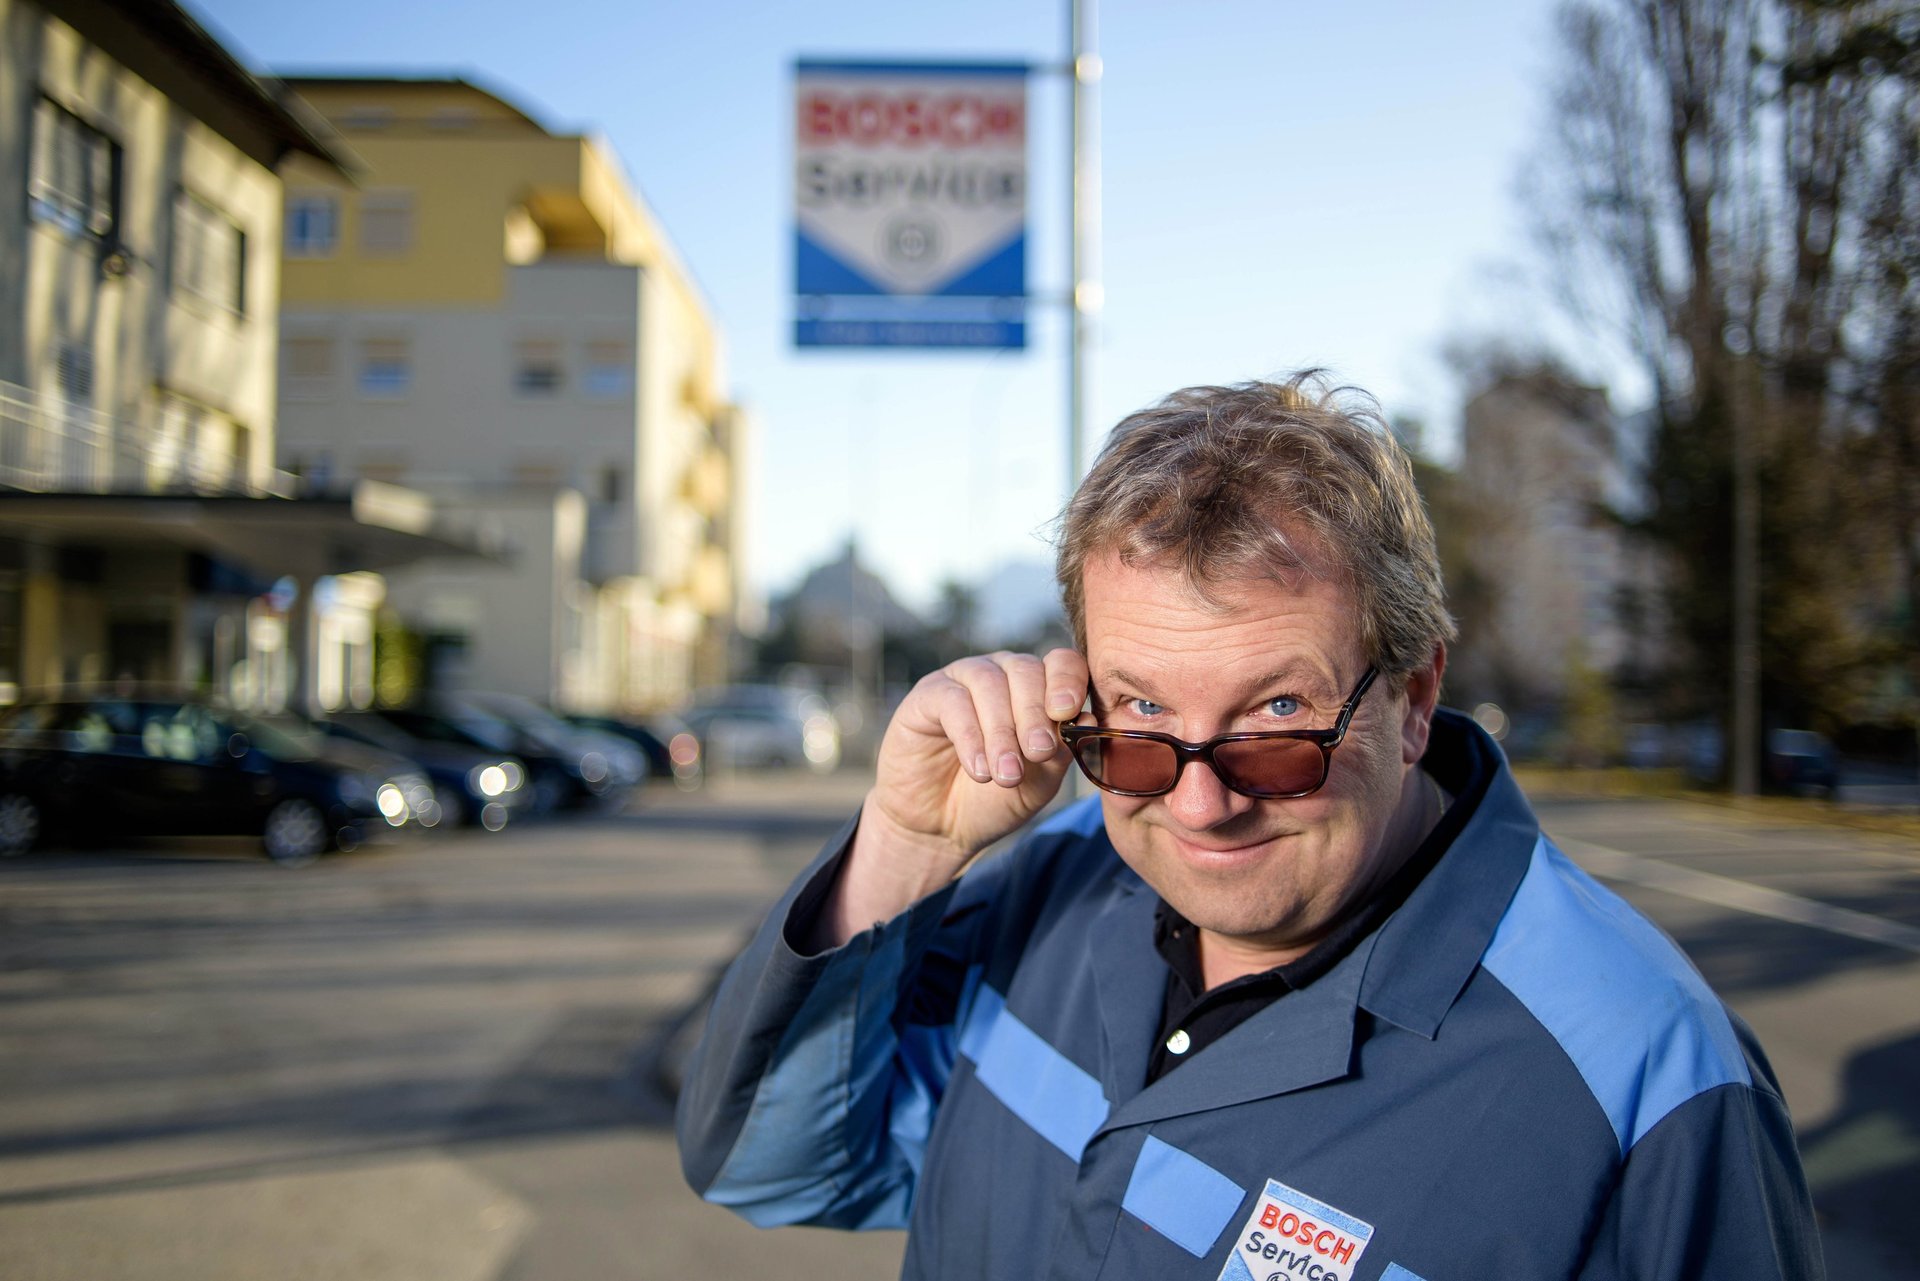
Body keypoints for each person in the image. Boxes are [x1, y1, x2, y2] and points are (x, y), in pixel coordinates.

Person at [676, 373, 1822, 1281]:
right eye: (1140, 715)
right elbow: (771, 1173)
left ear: (1414, 699)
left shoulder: (1644, 1073)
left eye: (1277, 714)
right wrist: (904, 850)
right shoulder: (1049, 884)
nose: (1201, 801)